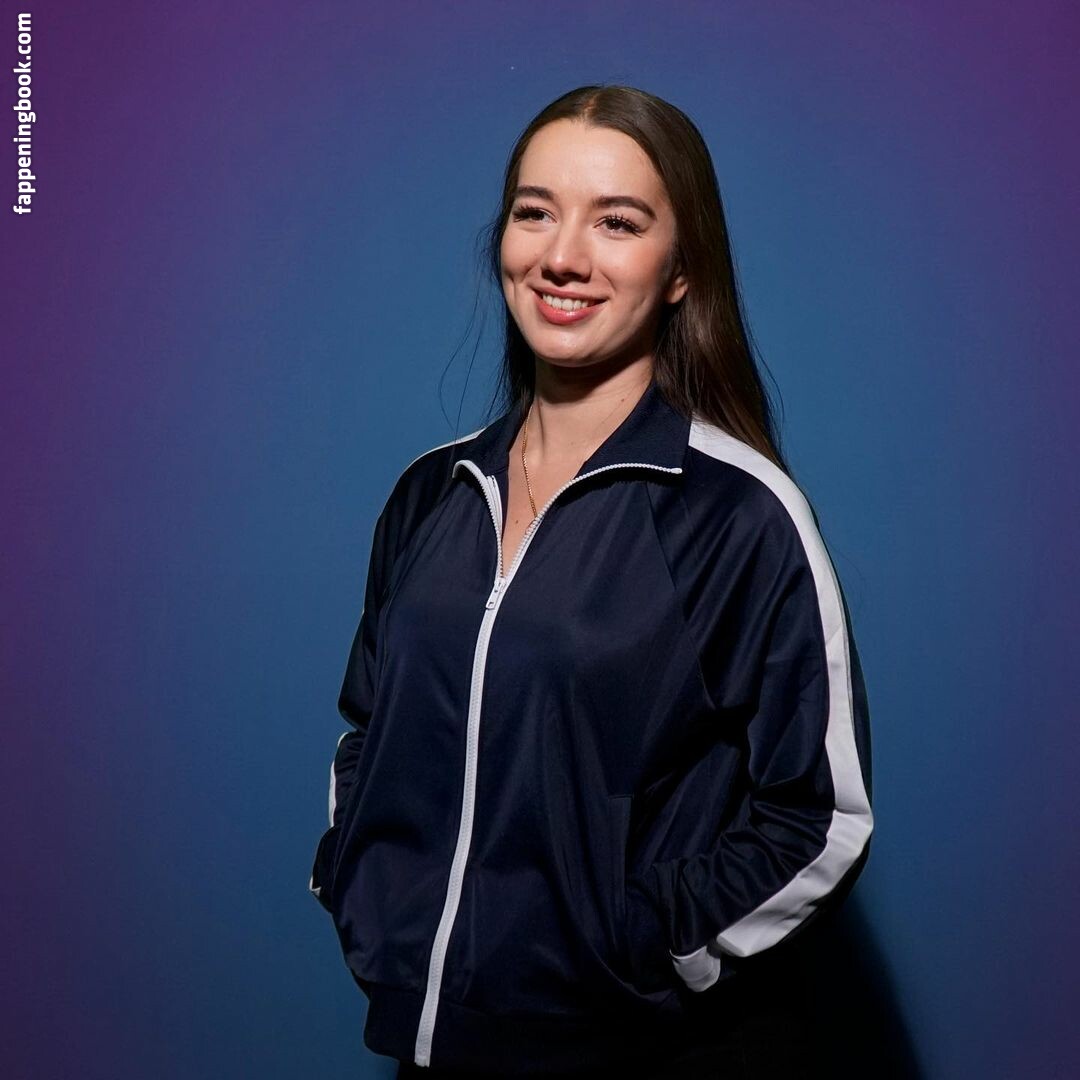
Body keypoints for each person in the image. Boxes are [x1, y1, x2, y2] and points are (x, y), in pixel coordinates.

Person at [309, 84, 874, 1079]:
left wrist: (636, 946)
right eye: (536, 212)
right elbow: (369, 727)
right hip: (436, 1051)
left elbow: (821, 818)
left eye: (617, 222)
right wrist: (362, 884)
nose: (563, 256)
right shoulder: (433, 493)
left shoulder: (737, 514)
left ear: (681, 270)